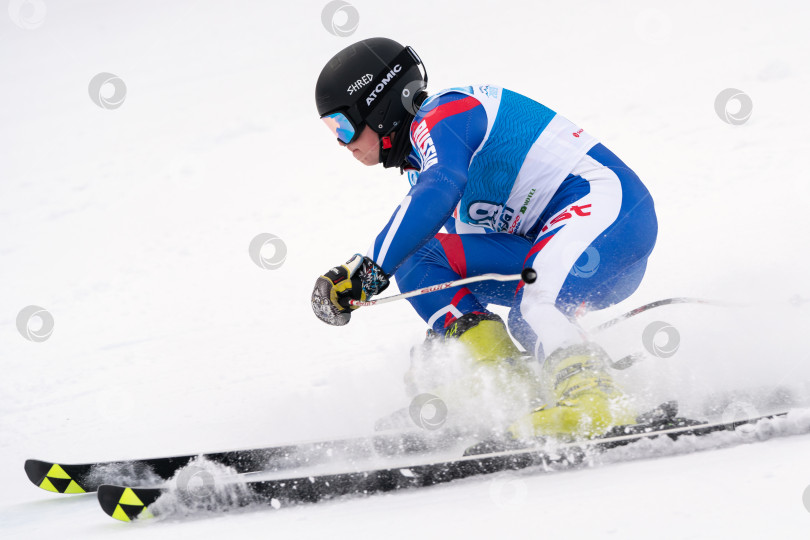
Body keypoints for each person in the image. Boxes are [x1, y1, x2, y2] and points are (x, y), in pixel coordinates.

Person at [311, 37, 657, 441]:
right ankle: (505, 385)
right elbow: (457, 277)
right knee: (421, 260)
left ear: (381, 108)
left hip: (614, 217)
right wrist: (440, 361)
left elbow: (439, 187)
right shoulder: (424, 165)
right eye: (332, 130)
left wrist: (367, 271)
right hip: (567, 251)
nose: (341, 141)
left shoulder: (447, 114)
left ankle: (597, 402)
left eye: (343, 125)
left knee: (537, 302)